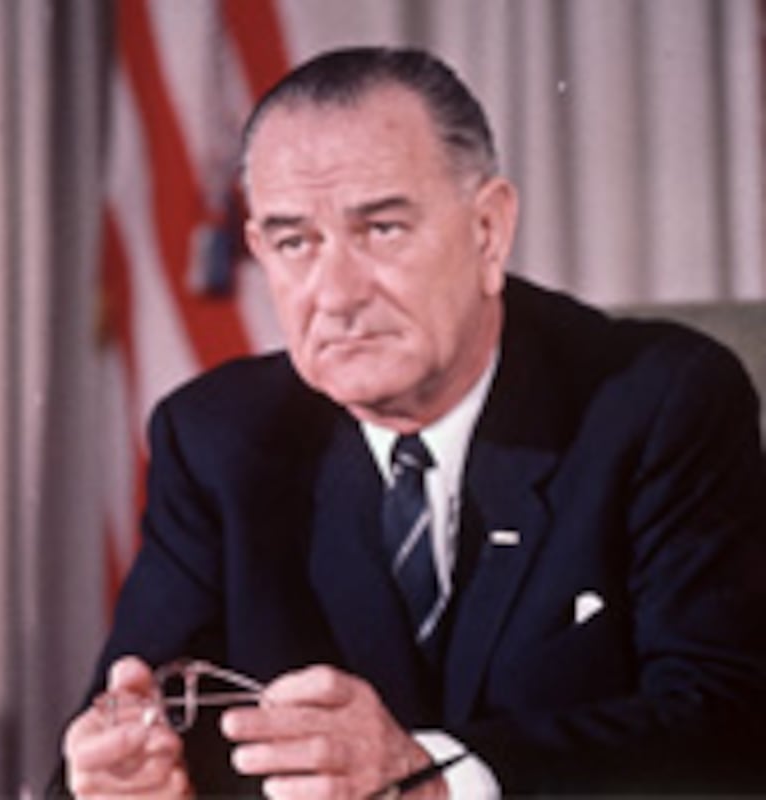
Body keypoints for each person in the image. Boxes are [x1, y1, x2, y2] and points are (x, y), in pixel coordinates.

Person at [54, 46, 766, 799]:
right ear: (259, 249)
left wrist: (437, 777)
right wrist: (126, 781)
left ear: (488, 229)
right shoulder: (218, 438)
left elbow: (730, 726)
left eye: (383, 229)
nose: (336, 294)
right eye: (295, 243)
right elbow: (130, 723)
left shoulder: (657, 402)